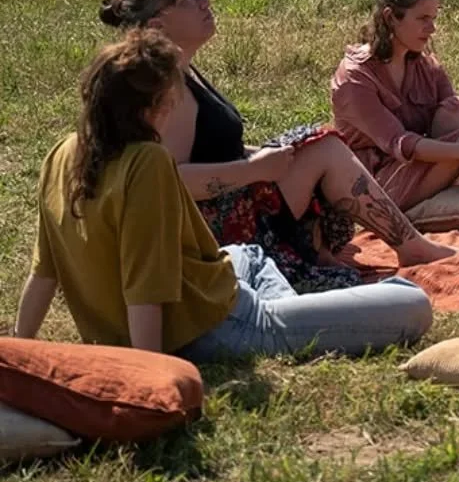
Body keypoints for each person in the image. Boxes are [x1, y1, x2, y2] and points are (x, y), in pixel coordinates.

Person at [14, 31, 433, 361]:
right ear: (154, 107)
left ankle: (304, 314)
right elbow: (145, 284)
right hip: (213, 323)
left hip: (211, 288)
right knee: (412, 303)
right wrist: (150, 373)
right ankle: (298, 323)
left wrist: (20, 349)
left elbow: (43, 272)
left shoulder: (63, 153)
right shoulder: (146, 164)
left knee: (245, 255)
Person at [99, 0, 455, 284]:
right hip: (210, 232)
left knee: (317, 141)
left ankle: (348, 248)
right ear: (158, 26)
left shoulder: (182, 71)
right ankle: (409, 247)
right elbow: (170, 179)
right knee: (325, 148)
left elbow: (211, 148)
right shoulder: (166, 90)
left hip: (228, 202)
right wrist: (254, 170)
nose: (205, 1)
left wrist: (267, 156)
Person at [330, 0, 459, 213]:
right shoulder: (355, 77)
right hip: (376, 185)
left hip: (417, 169)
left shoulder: (425, 65)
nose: (432, 29)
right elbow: (401, 144)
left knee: (458, 114)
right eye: (423, 19)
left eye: (434, 18)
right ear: (390, 18)